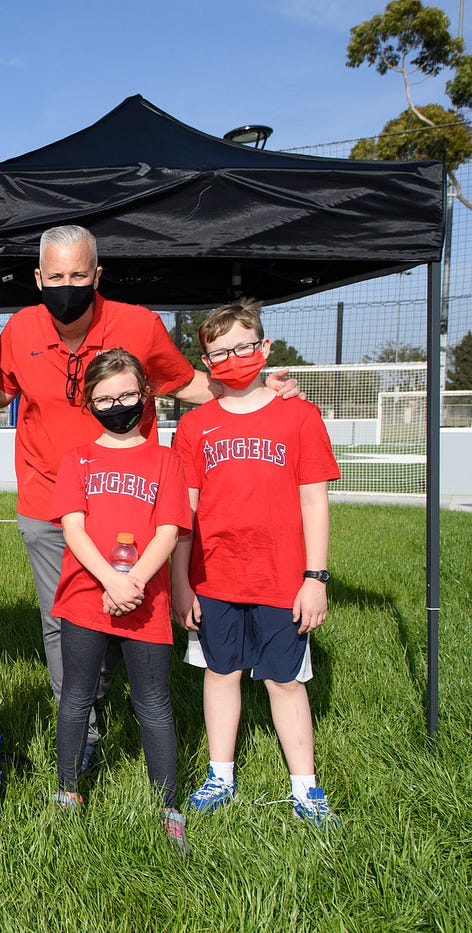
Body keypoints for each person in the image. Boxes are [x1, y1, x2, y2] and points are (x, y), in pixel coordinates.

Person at [0, 224, 296, 771]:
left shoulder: (137, 323)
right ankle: (80, 731)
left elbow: (186, 384)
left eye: (78, 275)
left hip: (132, 506)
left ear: (97, 274)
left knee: (121, 616)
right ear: (38, 278)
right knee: (63, 621)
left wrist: (255, 390)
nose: (67, 285)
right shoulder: (18, 329)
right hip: (48, 505)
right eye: (56, 276)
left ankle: (113, 706)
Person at [171, 299, 341, 828]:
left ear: (264, 349)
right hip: (215, 577)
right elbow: (185, 514)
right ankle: (221, 774)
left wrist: (315, 578)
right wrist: (181, 583)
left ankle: (305, 788)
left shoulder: (299, 414)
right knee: (220, 673)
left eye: (244, 347)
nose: (234, 358)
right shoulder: (196, 426)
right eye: (219, 352)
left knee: (285, 681)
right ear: (205, 360)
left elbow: (315, 501)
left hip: (283, 579)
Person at [49, 349, 191, 853]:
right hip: (87, 595)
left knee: (152, 703)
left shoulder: (165, 459)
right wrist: (111, 581)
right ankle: (68, 791)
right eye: (105, 397)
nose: (117, 404)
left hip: (144, 602)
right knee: (76, 698)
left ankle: (167, 805)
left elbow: (169, 532)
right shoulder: (77, 459)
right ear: (89, 402)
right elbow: (73, 527)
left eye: (127, 394)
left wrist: (132, 587)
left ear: (145, 396)